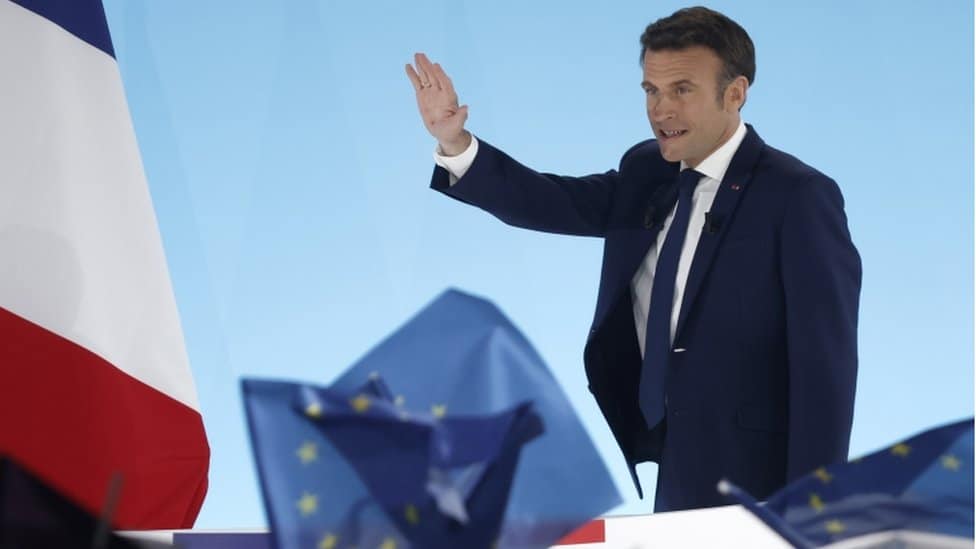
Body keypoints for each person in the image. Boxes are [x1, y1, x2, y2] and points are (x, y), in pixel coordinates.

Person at [405, 6, 861, 512]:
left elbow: (827, 372)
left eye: (682, 90)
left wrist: (818, 513)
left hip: (763, 483)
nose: (661, 110)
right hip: (675, 468)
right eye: (651, 90)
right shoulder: (647, 171)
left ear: (735, 94)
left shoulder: (797, 195)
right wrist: (454, 142)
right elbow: (549, 200)